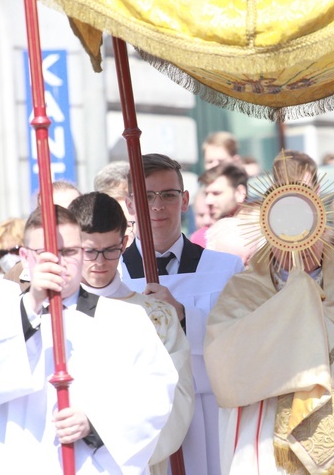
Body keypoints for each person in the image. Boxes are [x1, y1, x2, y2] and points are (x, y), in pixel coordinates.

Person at [204, 152, 334, 474]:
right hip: (271, 433)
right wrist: (292, 309)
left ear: (322, 224)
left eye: (308, 225)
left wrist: (325, 317)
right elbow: (224, 362)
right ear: (269, 230)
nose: (297, 241)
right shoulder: (244, 291)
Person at [0, 205, 178, 473]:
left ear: (82, 253)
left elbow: (154, 395)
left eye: (68, 252)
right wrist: (32, 304)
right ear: (25, 256)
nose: (58, 262)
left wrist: (94, 423)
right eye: (46, 254)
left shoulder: (126, 320)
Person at [121, 153, 244, 475]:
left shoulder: (224, 268)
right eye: (147, 196)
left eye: (168, 195)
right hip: (141, 417)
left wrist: (183, 314)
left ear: (185, 199)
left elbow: (240, 340)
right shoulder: (114, 276)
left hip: (208, 411)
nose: (158, 206)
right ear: (130, 204)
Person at [68, 191, 195, 475]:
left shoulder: (155, 316)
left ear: (124, 243)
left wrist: (102, 434)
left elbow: (178, 401)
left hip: (131, 463)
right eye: (89, 251)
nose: (100, 262)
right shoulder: (53, 312)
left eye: (110, 250)